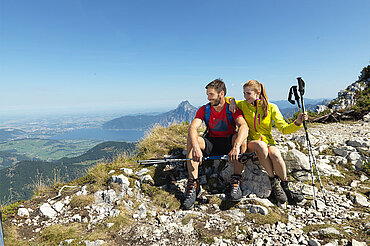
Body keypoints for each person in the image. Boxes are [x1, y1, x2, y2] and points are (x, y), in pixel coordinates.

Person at [228, 79, 308, 205]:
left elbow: (284, 128)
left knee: (276, 154)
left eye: (248, 93)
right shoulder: (243, 105)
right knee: (261, 146)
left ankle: (285, 186)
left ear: (257, 93)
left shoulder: (271, 108)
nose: (245, 96)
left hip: (268, 141)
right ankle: (273, 181)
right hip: (251, 142)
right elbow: (225, 98)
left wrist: (297, 122)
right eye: (244, 93)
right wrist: (232, 100)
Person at [184, 79, 249, 210]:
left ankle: (236, 180)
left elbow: (244, 126)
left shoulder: (232, 108)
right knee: (192, 138)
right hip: (211, 143)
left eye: (211, 95)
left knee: (241, 138)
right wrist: (196, 148)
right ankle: (193, 184)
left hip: (228, 142)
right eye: (207, 95)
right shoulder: (205, 109)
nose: (209, 98)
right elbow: (192, 128)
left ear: (221, 94)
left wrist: (236, 147)